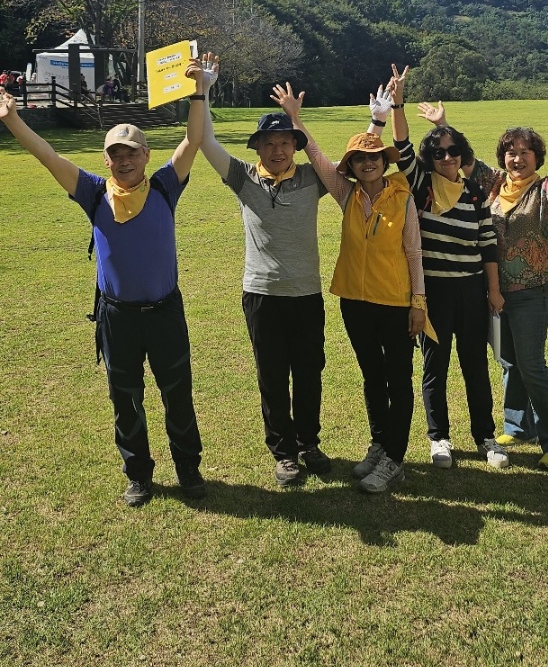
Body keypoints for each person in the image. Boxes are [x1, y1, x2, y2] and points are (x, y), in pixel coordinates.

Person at [0, 64, 209, 506]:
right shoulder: (94, 192)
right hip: (118, 317)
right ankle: (138, 474)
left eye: (132, 152)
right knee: (125, 398)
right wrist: (12, 119)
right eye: (116, 154)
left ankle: (188, 469)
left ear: (146, 155)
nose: (125, 160)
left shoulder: (165, 186)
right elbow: (49, 157)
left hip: (165, 312)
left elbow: (192, 140)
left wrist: (199, 93)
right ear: (106, 160)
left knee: (177, 393)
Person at [418, 90, 548, 470]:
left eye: (525, 152)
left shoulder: (547, 191)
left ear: (537, 157)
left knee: (531, 364)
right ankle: (519, 425)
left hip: (530, 291)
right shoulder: (494, 184)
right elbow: (459, 158)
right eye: (511, 152)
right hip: (491, 292)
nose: (517, 159)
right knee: (508, 361)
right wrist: (442, 125)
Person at [274, 82, 426, 495]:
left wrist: (418, 304)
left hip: (395, 303)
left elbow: (414, 253)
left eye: (373, 157)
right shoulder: (347, 194)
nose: (368, 163)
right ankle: (379, 443)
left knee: (398, 380)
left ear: (383, 161)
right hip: (356, 304)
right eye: (359, 159)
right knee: (372, 376)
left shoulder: (402, 197)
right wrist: (295, 118)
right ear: (353, 167)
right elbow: (317, 157)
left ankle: (394, 459)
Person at [196, 54, 332, 489]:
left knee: (309, 374)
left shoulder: (311, 178)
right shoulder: (243, 178)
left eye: (285, 142)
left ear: (294, 146)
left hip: (306, 294)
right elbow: (204, 141)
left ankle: (309, 443)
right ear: (256, 148)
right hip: (262, 295)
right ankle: (284, 453)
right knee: (272, 378)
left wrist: (298, 119)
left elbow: (340, 167)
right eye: (269, 143)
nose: (278, 150)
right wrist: (203, 91)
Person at [381, 65, 508, 471]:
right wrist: (398, 103)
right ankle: (439, 438)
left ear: (462, 155)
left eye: (453, 152)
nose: (448, 158)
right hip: (434, 292)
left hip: (471, 291)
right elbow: (401, 146)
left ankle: (486, 436)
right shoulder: (422, 185)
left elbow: (488, 244)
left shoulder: (475, 193)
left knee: (475, 365)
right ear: (430, 159)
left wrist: (493, 291)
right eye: (439, 153)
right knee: (435, 367)